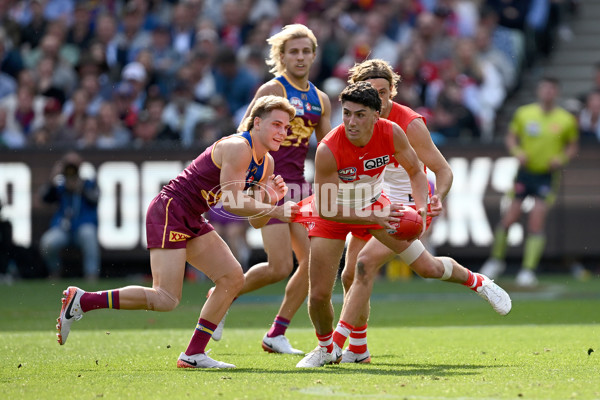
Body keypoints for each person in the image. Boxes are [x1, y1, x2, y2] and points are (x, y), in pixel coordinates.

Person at [56, 95, 299, 369]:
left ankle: (193, 354)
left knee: (232, 278)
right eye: (276, 124)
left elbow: (255, 220)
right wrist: (277, 210)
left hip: (191, 214)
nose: (283, 132)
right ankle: (84, 300)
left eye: (286, 127)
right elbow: (231, 202)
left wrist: (271, 201)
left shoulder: (266, 163)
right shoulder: (238, 147)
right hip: (170, 209)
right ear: (257, 122)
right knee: (165, 298)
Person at [295, 82, 511, 368]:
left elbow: (416, 171)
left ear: (377, 115)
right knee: (320, 294)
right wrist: (372, 217)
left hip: (376, 205)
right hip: (336, 213)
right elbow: (325, 207)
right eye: (346, 114)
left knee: (425, 268)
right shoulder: (328, 149)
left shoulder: (393, 131)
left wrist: (420, 208)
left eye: (360, 115)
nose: (351, 122)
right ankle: (327, 347)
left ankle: (478, 281)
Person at [211, 24, 331, 355]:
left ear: (314, 55)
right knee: (279, 267)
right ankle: (222, 296)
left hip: (301, 188)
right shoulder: (271, 89)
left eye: (306, 51)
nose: (301, 57)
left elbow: (328, 149)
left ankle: (276, 333)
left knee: (313, 263)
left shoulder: (320, 100)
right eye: (294, 51)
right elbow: (244, 134)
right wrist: (254, 183)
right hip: (270, 186)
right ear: (281, 56)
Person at [334, 58, 453, 364]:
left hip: (406, 208)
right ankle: (359, 349)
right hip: (372, 203)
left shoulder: (408, 124)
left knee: (363, 266)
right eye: (372, 91)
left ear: (392, 93)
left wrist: (434, 199)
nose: (380, 98)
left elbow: (441, 169)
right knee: (351, 275)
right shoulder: (355, 120)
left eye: (385, 92)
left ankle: (335, 345)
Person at [480, 77, 579, 287]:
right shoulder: (524, 114)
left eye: (552, 89)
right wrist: (517, 152)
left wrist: (560, 159)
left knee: (536, 221)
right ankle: (496, 261)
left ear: (557, 93)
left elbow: (572, 146)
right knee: (509, 217)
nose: (548, 93)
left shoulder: (565, 120)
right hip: (524, 173)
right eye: (545, 88)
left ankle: (528, 270)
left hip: (546, 175)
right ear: (538, 91)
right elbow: (511, 137)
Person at [39, 152, 100, 281]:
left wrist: (81, 188)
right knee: (47, 242)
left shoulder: (88, 182)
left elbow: (95, 199)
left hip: (83, 225)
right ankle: (55, 272)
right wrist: (52, 179)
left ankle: (91, 274)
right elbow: (45, 198)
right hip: (63, 228)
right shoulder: (59, 184)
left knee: (89, 235)